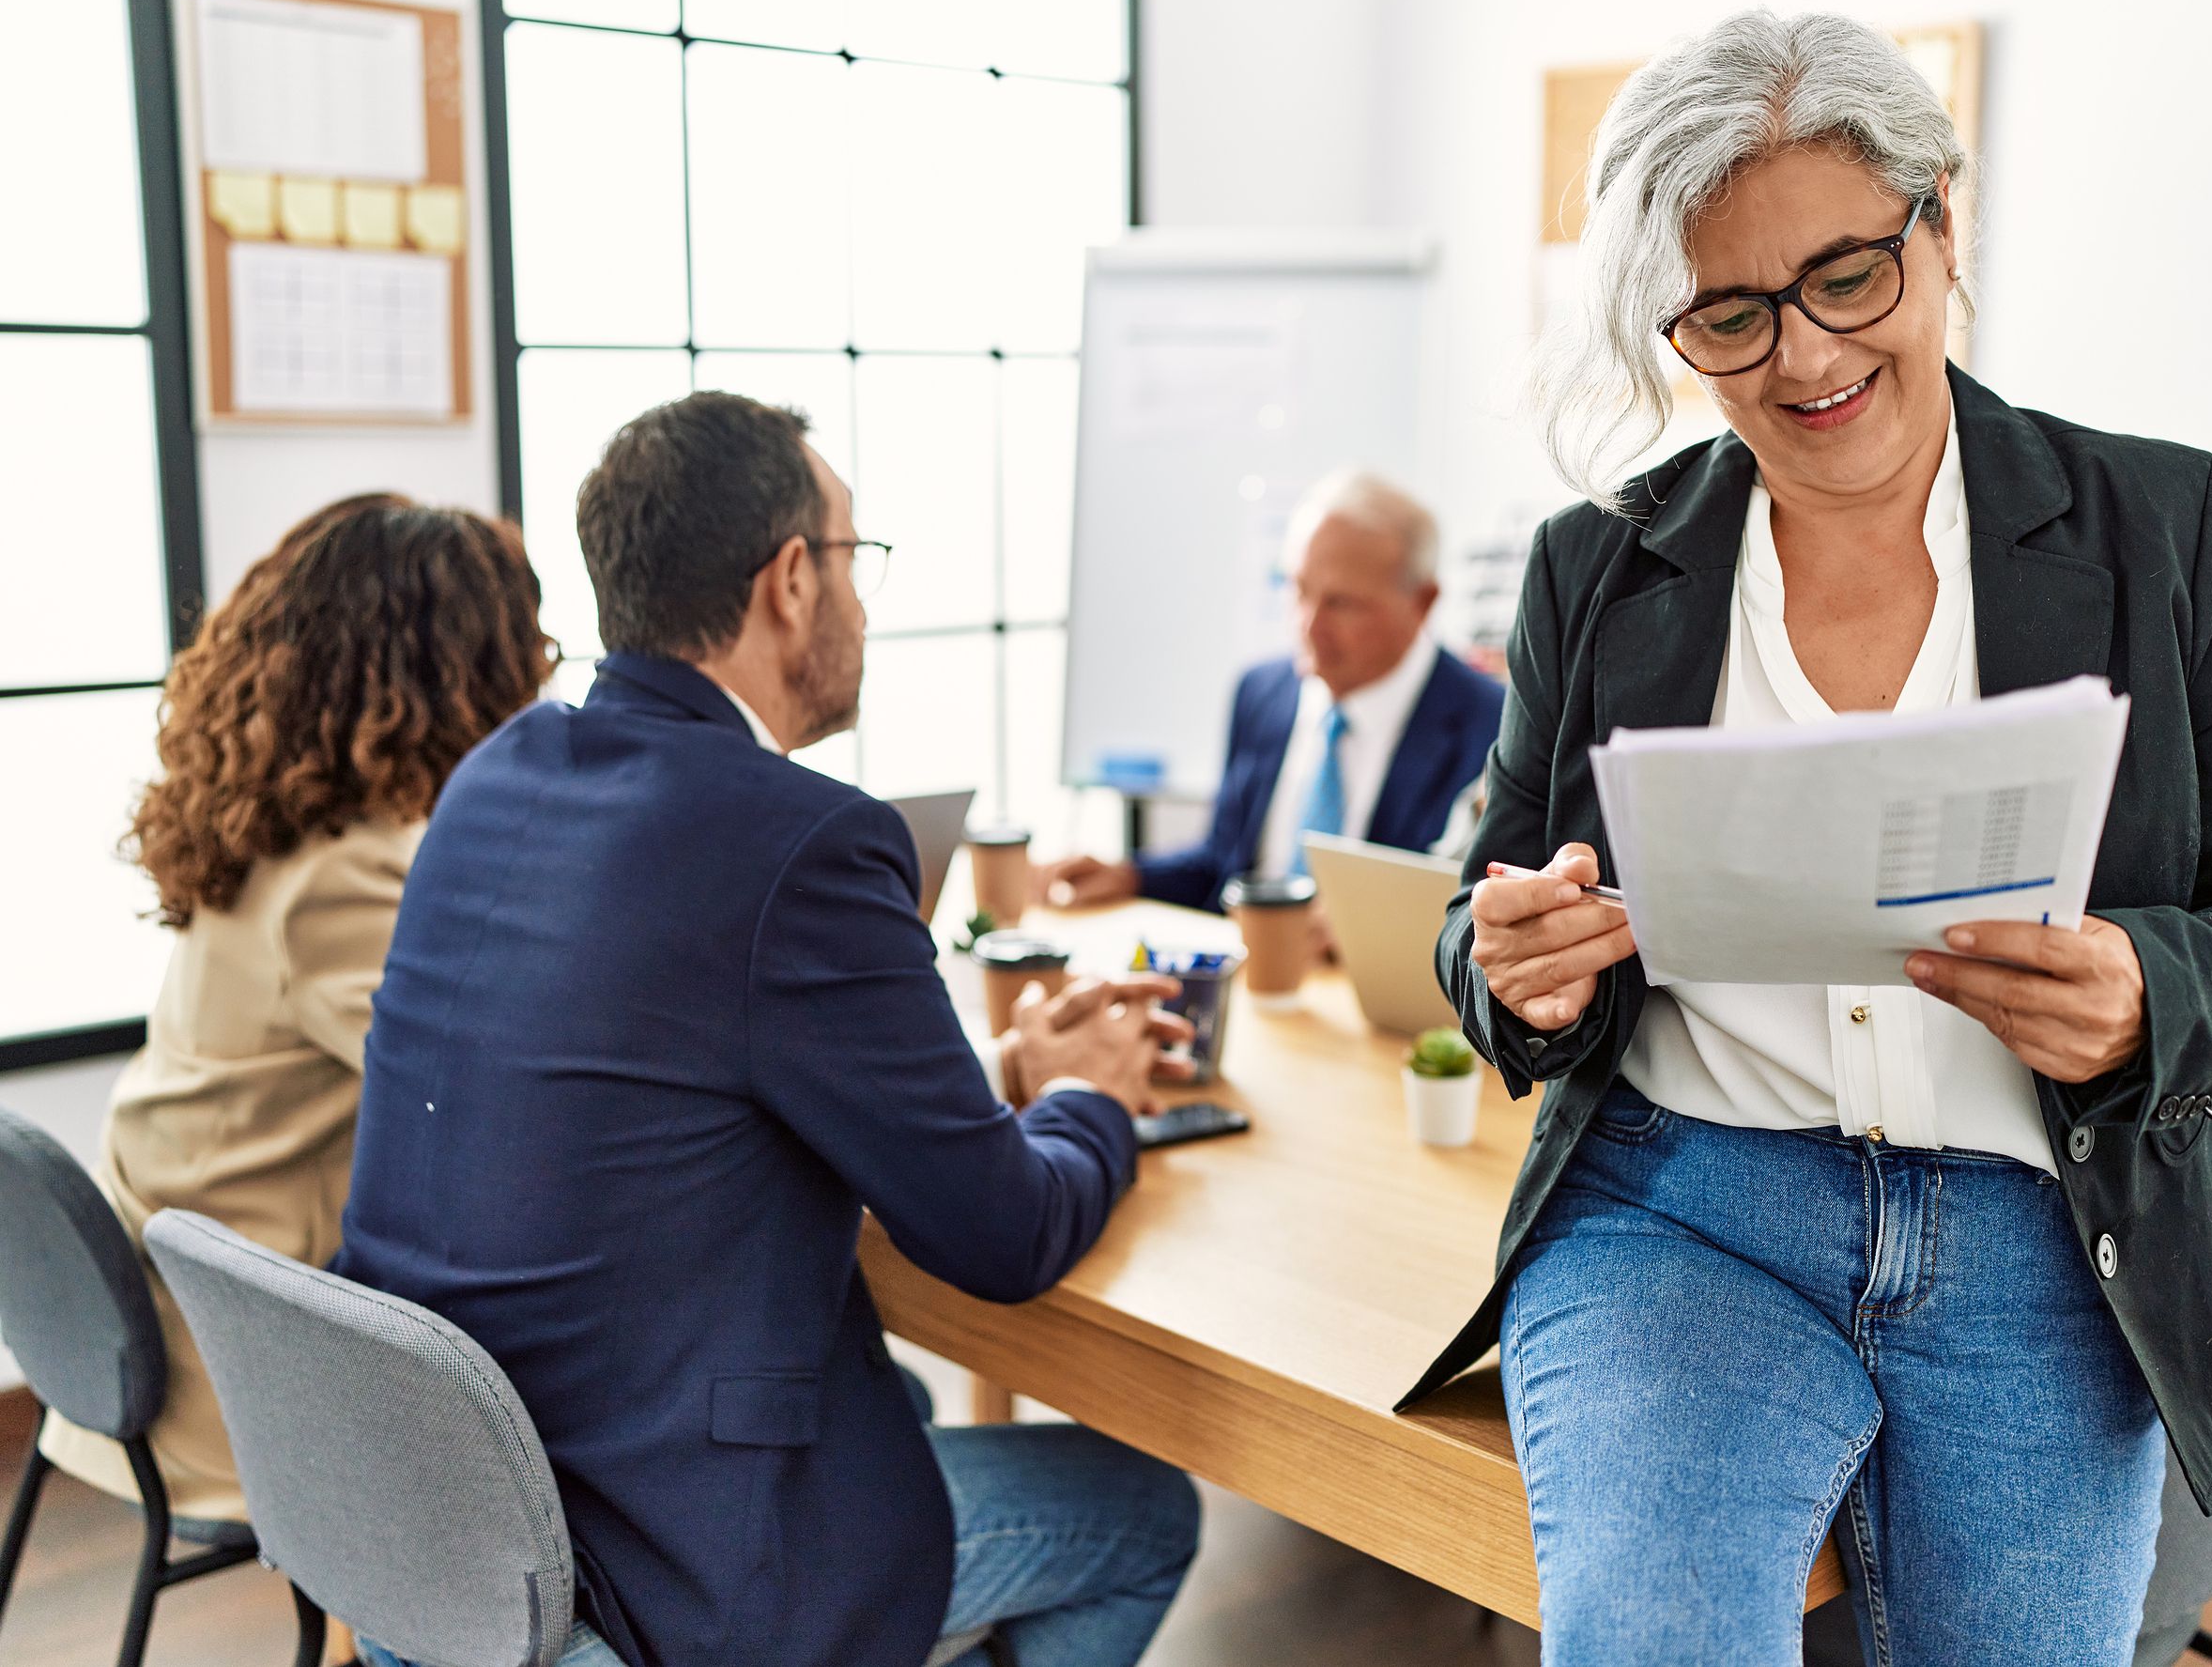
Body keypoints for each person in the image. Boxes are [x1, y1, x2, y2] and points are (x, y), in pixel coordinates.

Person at [1398, 11, 2212, 1666]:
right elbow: (1486, 928)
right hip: (1684, 1217)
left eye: (1847, 275)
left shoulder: (2164, 525)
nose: (1799, 355)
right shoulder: (1597, 570)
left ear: (1940, 225)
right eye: (1729, 313)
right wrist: (1519, 968)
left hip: (2048, 1238)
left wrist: (2150, 987)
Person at [333, 392, 1202, 1667]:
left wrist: (1001, 1071)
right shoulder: (805, 839)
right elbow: (1005, 1234)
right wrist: (1096, 1098)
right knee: (1143, 1510)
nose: (860, 598)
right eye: (854, 560)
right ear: (792, 579)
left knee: (889, 1399)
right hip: (650, 1559)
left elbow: (677, 1082)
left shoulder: (498, 773)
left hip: (440, 1531)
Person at [38, 495, 551, 1522]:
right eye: (523, 649)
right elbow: (505, 1101)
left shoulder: (267, 819)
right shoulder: (348, 874)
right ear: (458, 675)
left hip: (167, 1285)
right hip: (243, 1365)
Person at [1039, 471, 1503, 913]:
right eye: (1298, 590)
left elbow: (1470, 908)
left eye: (1340, 603)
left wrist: (1356, 923)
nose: (1309, 626)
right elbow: (1221, 862)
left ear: (1421, 604)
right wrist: (1131, 876)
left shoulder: (1490, 725)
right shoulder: (1262, 693)